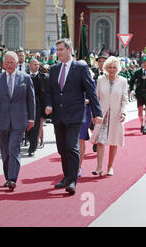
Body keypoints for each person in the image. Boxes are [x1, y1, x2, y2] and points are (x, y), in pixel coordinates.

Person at [45, 38, 102, 195]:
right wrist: (49, 104)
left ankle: (72, 180)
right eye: (57, 50)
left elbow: (91, 90)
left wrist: (97, 113)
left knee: (72, 146)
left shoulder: (80, 67)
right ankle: (66, 176)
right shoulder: (55, 69)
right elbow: (50, 90)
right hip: (58, 115)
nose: (58, 53)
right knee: (62, 148)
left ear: (69, 50)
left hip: (75, 115)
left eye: (61, 50)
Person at [0, 51, 35, 191]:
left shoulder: (25, 78)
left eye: (12, 62)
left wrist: (31, 118)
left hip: (19, 120)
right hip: (3, 121)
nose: (9, 65)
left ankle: (12, 178)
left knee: (13, 148)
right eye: (7, 62)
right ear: (3, 64)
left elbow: (31, 99)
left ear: (17, 63)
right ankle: (8, 176)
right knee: (5, 151)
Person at [90, 56, 128, 176]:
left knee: (113, 141)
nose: (112, 69)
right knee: (100, 141)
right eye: (110, 67)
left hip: (116, 115)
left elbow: (124, 99)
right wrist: (94, 113)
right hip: (102, 114)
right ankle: (99, 167)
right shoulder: (101, 79)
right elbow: (96, 98)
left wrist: (123, 112)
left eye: (114, 67)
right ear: (106, 68)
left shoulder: (123, 81)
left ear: (118, 68)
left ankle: (110, 167)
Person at [26, 58, 47, 157]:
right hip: (25, 105)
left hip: (38, 105)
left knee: (35, 126)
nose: (37, 66)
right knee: (27, 127)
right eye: (34, 64)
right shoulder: (24, 76)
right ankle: (28, 140)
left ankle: (32, 147)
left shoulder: (43, 77)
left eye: (38, 64)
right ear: (30, 65)